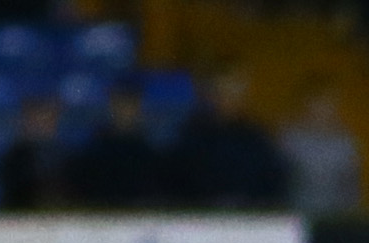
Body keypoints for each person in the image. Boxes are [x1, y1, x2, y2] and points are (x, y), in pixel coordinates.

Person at [166, 71, 289, 211]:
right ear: (209, 96)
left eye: (234, 93)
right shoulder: (190, 136)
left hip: (250, 218)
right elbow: (177, 182)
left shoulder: (257, 137)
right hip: (199, 218)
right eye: (222, 92)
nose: (228, 99)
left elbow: (271, 181)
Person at [59, 80, 172, 211]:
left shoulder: (154, 153)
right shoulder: (92, 152)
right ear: (111, 105)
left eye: (131, 103)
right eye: (120, 103)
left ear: (140, 106)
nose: (125, 109)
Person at [281, 87, 364, 218]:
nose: (322, 110)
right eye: (317, 104)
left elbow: (351, 184)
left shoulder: (345, 142)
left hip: (336, 216)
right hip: (297, 213)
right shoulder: (290, 139)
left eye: (327, 104)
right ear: (306, 105)